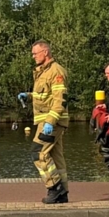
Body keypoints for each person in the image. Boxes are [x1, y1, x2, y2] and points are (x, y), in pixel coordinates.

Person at [18, 40, 69, 204]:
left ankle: (55, 187)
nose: (33, 56)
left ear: (45, 52)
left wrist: (50, 122)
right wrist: (29, 95)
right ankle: (63, 194)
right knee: (56, 157)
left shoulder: (56, 72)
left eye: (35, 53)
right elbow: (44, 95)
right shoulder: (42, 72)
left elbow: (60, 100)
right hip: (46, 120)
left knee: (38, 152)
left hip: (51, 122)